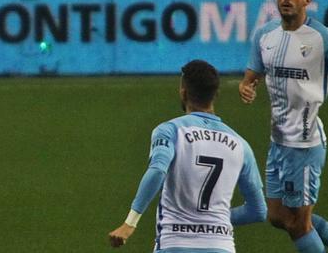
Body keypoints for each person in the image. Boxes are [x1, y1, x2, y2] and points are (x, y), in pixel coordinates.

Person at [109, 60, 267, 252]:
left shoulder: (170, 131)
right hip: (221, 246)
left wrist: (130, 223)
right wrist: (216, 219)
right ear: (215, 95)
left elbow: (158, 170)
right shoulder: (241, 145)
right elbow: (258, 211)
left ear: (183, 92)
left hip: (175, 243)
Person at [238, 0, 328, 253]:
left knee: (299, 225)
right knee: (278, 217)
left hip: (305, 144)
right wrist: (247, 86)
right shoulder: (264, 35)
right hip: (278, 142)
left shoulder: (322, 38)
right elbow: (251, 74)